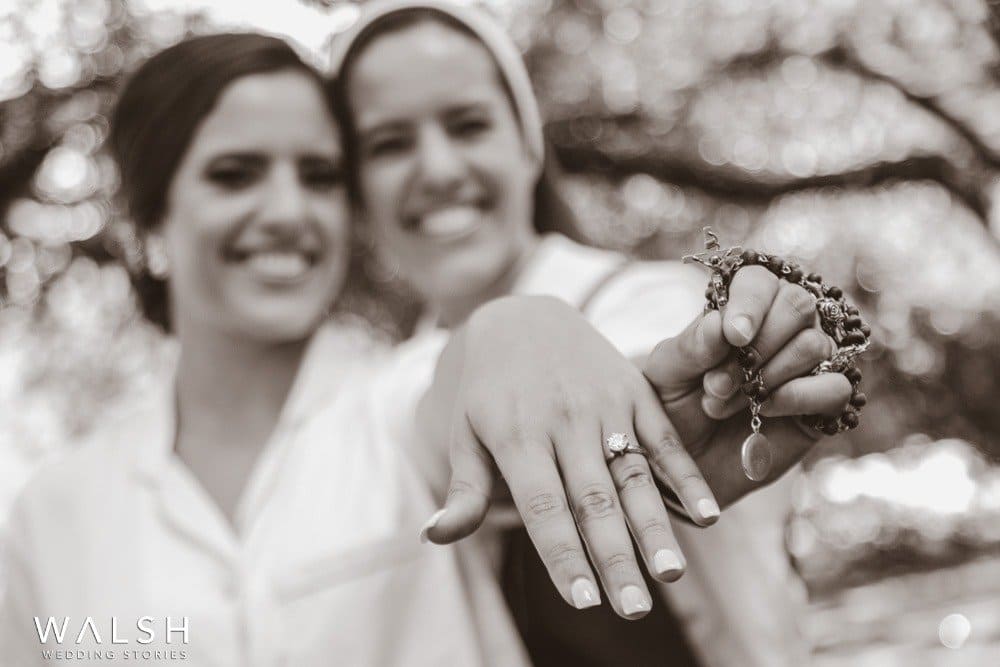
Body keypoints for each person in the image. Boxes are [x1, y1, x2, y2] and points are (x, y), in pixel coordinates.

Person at [0, 31, 731, 666]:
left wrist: (516, 323)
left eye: (319, 177)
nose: (290, 212)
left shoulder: (402, 405)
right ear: (144, 232)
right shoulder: (51, 517)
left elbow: (482, 383)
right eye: (234, 174)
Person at [329, 1, 853, 664]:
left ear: (527, 143)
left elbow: (652, 348)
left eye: (467, 125)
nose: (436, 168)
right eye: (388, 144)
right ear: (356, 189)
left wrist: (691, 384)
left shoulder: (648, 299)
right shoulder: (382, 391)